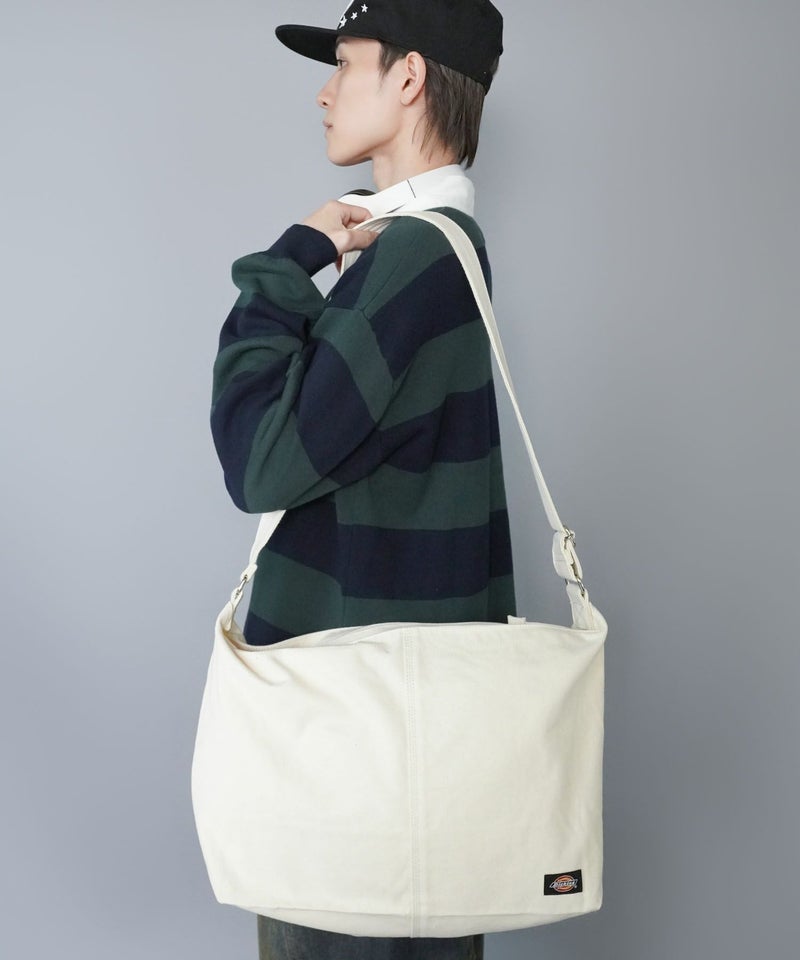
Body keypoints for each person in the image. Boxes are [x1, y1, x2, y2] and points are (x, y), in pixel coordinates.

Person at [210, 2, 514, 957]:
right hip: (401, 736)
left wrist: (288, 261)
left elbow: (263, 463)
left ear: (409, 77)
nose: (325, 90)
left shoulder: (416, 256)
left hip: (357, 748)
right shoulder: (427, 249)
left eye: (345, 63)